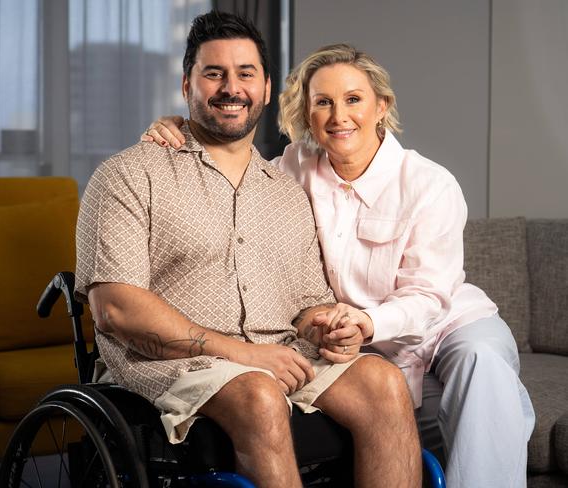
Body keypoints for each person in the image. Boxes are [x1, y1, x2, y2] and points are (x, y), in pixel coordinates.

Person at [142, 43, 536, 487]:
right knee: (392, 423)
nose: (338, 116)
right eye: (323, 103)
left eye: (353, 99)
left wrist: (368, 322)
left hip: (446, 324)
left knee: (482, 368)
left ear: (381, 106)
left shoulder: (430, 184)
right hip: (355, 345)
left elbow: (429, 296)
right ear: (306, 114)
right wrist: (183, 129)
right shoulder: (293, 168)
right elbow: (232, 170)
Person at [75, 12, 422, 488]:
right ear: (186, 84)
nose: (230, 87)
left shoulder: (285, 189)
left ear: (265, 88)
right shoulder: (130, 175)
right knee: (259, 392)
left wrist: (327, 325)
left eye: (245, 74)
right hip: (168, 364)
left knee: (384, 382)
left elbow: (305, 301)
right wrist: (245, 355)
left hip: (279, 351)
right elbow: (115, 309)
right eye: (213, 73)